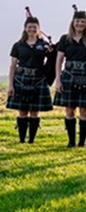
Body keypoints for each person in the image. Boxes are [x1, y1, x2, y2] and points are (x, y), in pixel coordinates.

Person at [53, 10, 86, 147]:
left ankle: (82, 143)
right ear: (73, 22)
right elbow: (59, 60)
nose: (80, 24)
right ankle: (71, 142)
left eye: (82, 21)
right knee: (69, 109)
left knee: (84, 110)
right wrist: (58, 79)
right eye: (77, 21)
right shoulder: (65, 39)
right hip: (69, 75)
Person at [6, 13, 54, 143]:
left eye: (34, 27)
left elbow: (51, 61)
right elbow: (12, 66)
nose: (32, 29)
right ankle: (22, 140)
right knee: (22, 111)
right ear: (25, 28)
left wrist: (51, 51)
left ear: (38, 29)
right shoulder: (18, 45)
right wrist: (10, 85)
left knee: (34, 111)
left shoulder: (43, 45)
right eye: (29, 27)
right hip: (21, 78)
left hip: (38, 79)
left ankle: (31, 140)